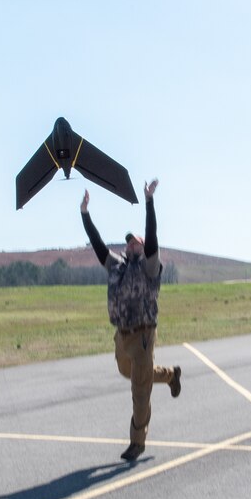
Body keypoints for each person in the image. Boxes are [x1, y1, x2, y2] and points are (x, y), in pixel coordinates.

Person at [81, 179, 182, 462]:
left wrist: (149, 202)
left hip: (143, 334)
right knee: (130, 373)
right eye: (127, 242)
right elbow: (99, 247)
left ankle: (137, 441)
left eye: (134, 241)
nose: (130, 244)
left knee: (140, 391)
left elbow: (152, 237)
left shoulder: (150, 267)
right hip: (122, 335)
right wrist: (85, 215)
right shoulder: (117, 266)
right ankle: (171, 375)